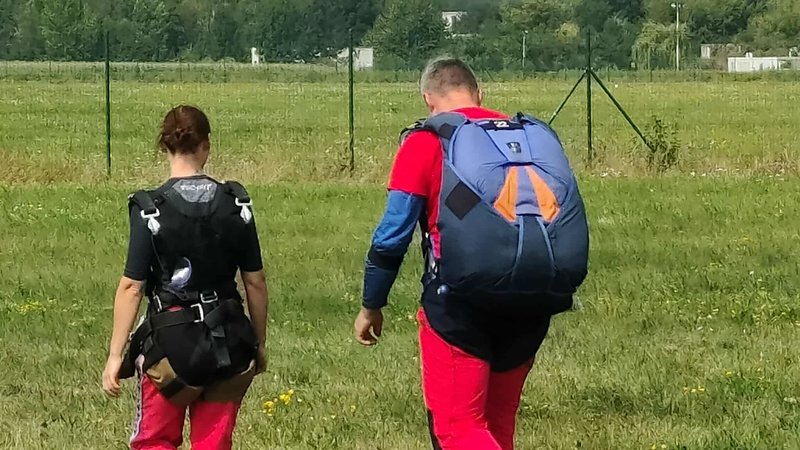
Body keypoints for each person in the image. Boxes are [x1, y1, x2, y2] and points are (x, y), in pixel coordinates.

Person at [354, 58, 589, 450]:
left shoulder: (426, 142)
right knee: (496, 426)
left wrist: (371, 305)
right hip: (535, 297)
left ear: (428, 99)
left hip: (459, 306)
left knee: (459, 429)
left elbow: (391, 236)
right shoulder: (527, 138)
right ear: (479, 94)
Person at [101, 105, 269, 450]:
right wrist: (259, 342)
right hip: (229, 342)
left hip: (170, 349)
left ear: (164, 146)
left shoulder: (149, 210)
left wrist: (116, 355)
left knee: (156, 441)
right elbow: (255, 281)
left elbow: (132, 287)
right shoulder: (237, 204)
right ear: (207, 146)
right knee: (213, 444)